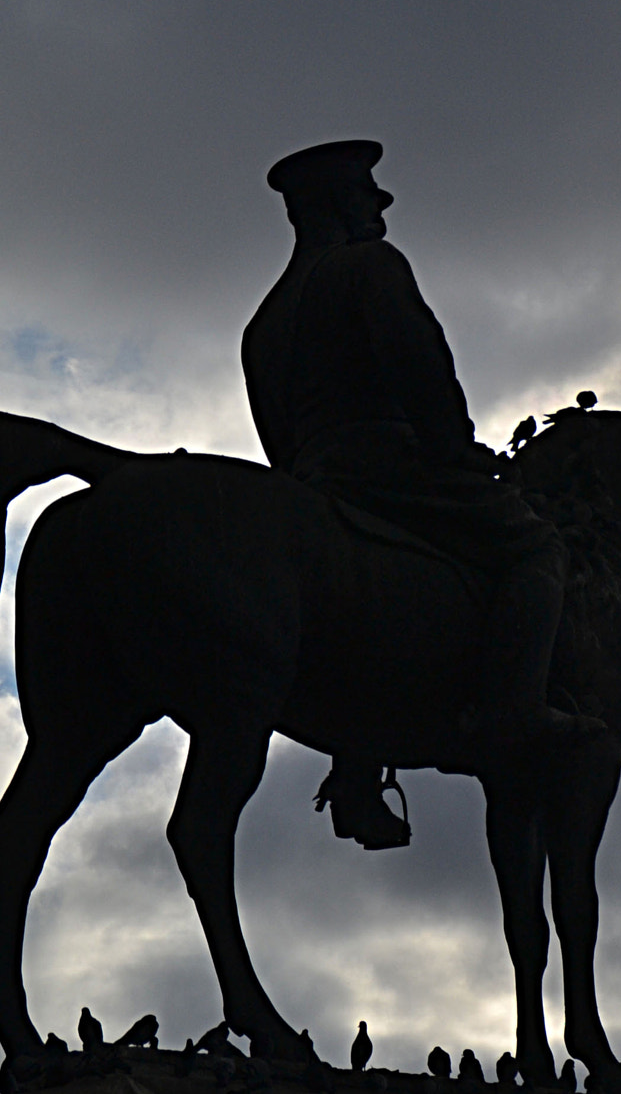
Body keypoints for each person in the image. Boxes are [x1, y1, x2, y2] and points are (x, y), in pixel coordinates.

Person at [241, 139, 593, 850]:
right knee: (535, 547)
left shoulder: (263, 321)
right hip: (395, 467)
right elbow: (423, 371)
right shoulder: (371, 267)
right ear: (341, 202)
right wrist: (459, 455)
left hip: (315, 482)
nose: (383, 202)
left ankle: (356, 774)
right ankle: (515, 713)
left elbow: (275, 433)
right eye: (369, 190)